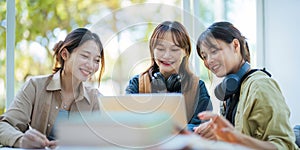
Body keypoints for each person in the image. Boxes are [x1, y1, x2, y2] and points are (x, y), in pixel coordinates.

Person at [194, 21, 299, 149]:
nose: (209, 61)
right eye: (204, 56)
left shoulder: (260, 86)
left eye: (214, 51)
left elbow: (285, 146)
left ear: (235, 45)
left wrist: (236, 138)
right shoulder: (230, 92)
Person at [0, 28, 105, 148]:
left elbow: (107, 138)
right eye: (85, 56)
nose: (91, 66)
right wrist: (20, 140)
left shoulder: (95, 98)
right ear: (65, 54)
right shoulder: (35, 86)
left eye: (96, 60)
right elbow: (4, 125)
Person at [125, 21, 212, 131]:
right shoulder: (137, 84)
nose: (167, 55)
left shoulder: (197, 87)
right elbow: (127, 122)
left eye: (174, 49)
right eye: (161, 49)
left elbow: (201, 127)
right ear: (152, 50)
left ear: (186, 52)